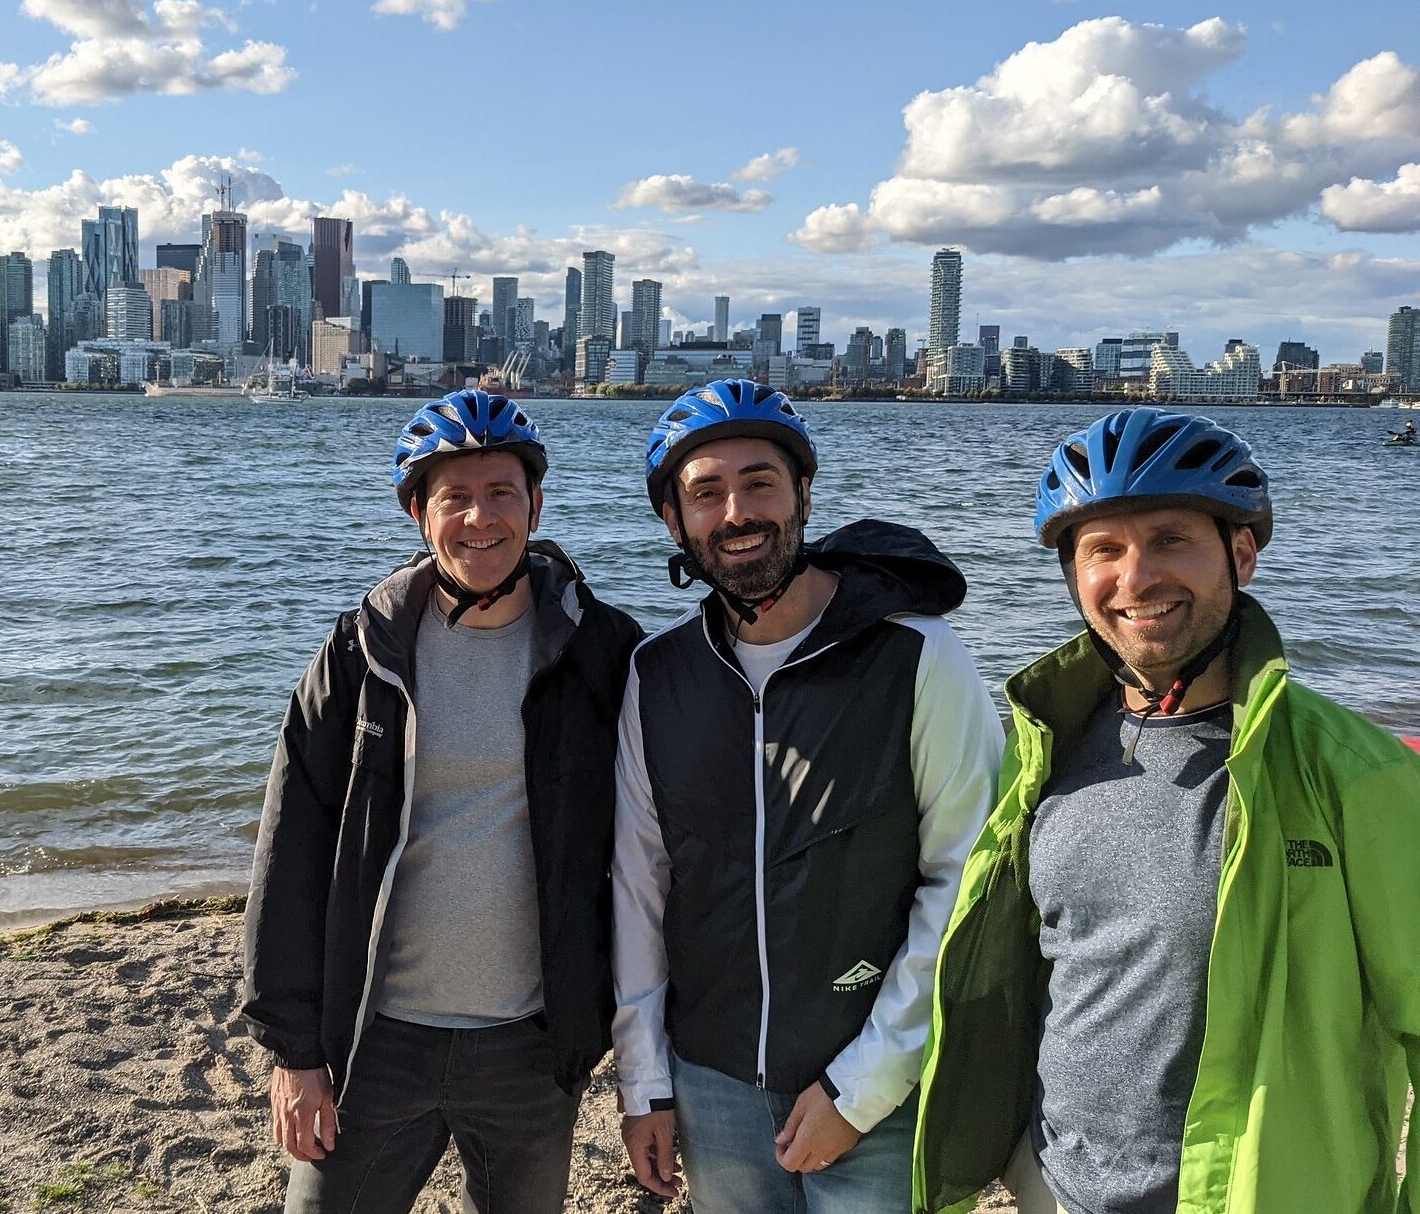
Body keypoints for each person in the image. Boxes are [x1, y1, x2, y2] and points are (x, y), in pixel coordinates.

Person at [912, 407, 1420, 1214]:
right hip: (1057, 1189)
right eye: (1103, 550)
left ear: (1241, 553)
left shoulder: (1348, 772)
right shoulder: (1044, 745)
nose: (1136, 577)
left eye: (1171, 538)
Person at [240, 389, 642, 1214]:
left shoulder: (603, 650)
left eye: (502, 493)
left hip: (531, 1044)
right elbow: (291, 850)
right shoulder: (361, 651)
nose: (480, 518)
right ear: (419, 511)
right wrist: (293, 1050)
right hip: (374, 1037)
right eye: (455, 496)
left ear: (536, 503)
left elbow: (655, 844)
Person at [612, 379, 1002, 1213]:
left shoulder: (918, 657)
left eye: (760, 482)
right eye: (705, 492)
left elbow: (965, 882)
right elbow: (641, 885)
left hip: (878, 1084)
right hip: (713, 1083)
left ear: (803, 495)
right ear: (675, 523)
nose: (737, 511)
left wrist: (861, 1087)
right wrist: (645, 1081)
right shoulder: (658, 676)